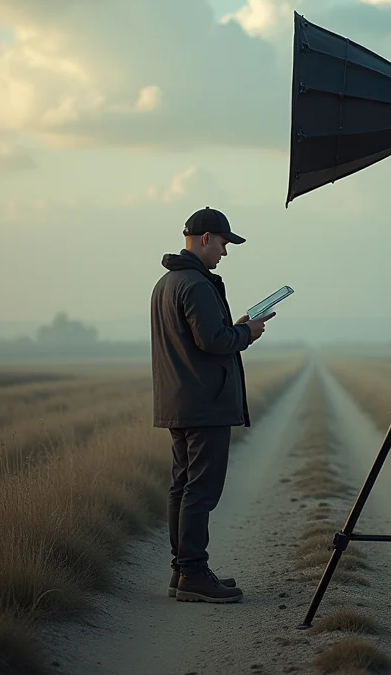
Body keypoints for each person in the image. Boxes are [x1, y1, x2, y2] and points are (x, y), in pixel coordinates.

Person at [150, 206, 275, 603]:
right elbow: (214, 342)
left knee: (183, 488)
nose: (224, 253)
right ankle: (193, 574)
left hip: (179, 401)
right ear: (205, 239)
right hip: (204, 403)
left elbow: (202, 337)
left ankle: (182, 570)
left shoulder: (166, 284)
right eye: (223, 244)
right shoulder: (197, 285)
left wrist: (233, 327)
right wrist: (246, 332)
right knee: (200, 491)